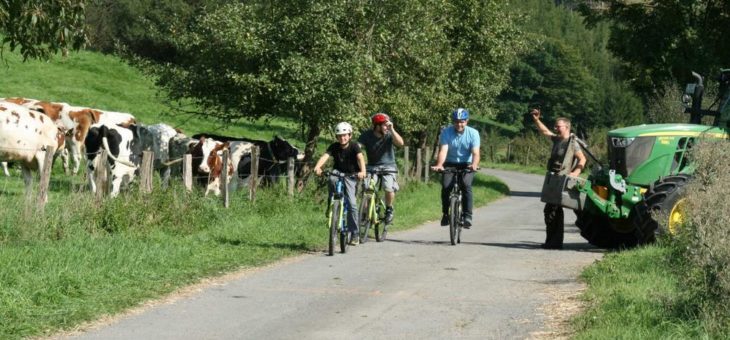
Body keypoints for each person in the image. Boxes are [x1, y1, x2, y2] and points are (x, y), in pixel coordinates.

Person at [531, 108, 587, 249]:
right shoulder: (557, 140)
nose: (555, 128)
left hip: (563, 181)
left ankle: (554, 242)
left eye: (558, 126)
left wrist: (575, 173)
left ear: (567, 127)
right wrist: (537, 120)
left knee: (553, 210)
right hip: (554, 180)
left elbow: (582, 159)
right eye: (555, 126)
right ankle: (552, 241)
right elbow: (545, 131)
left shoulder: (572, 143)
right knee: (550, 211)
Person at [314, 122, 367, 245]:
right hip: (338, 172)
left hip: (351, 175)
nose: (342, 138)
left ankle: (354, 233)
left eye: (345, 135)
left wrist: (362, 171)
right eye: (340, 136)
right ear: (337, 137)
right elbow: (325, 156)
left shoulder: (354, 146)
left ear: (349, 135)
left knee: (352, 204)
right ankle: (332, 203)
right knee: (331, 178)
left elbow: (360, 158)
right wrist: (318, 167)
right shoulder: (334, 146)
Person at [430, 108, 481, 228]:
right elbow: (443, 150)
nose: (459, 124)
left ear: (467, 121)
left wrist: (474, 164)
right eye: (457, 121)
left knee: (466, 185)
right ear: (453, 121)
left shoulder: (473, 133)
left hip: (467, 164)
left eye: (462, 121)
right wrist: (439, 165)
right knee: (446, 186)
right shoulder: (446, 132)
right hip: (450, 163)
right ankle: (445, 214)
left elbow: (476, 153)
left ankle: (467, 215)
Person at [358, 112, 404, 224]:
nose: (386, 127)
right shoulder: (366, 135)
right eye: (384, 125)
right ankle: (364, 213)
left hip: (389, 166)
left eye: (387, 124)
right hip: (372, 167)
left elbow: (401, 143)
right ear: (376, 126)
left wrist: (392, 129)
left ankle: (389, 209)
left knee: (388, 187)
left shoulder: (389, 134)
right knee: (367, 188)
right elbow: (357, 148)